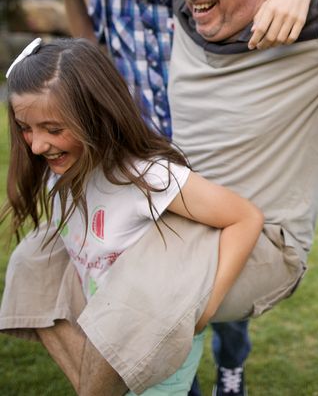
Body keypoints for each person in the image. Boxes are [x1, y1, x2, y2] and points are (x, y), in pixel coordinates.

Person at [8, 0, 316, 396]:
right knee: (34, 257)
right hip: (176, 201)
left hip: (257, 238)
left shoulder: (304, 33)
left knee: (134, 292)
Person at [2, 36, 264, 395]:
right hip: (114, 334)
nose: (36, 145)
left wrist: (206, 308)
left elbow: (244, 218)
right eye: (25, 128)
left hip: (153, 336)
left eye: (53, 129)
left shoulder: (147, 176)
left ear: (96, 115)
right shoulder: (57, 173)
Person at [169, 0, 318, 395]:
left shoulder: (305, 34)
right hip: (189, 218)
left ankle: (228, 373)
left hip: (265, 243)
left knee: (157, 297)